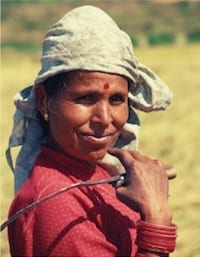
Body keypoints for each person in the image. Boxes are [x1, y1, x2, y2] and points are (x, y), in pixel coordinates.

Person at [6, 5, 177, 257]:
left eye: (117, 99)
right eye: (86, 98)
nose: (105, 118)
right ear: (43, 100)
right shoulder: (55, 203)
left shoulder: (92, 170)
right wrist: (157, 218)